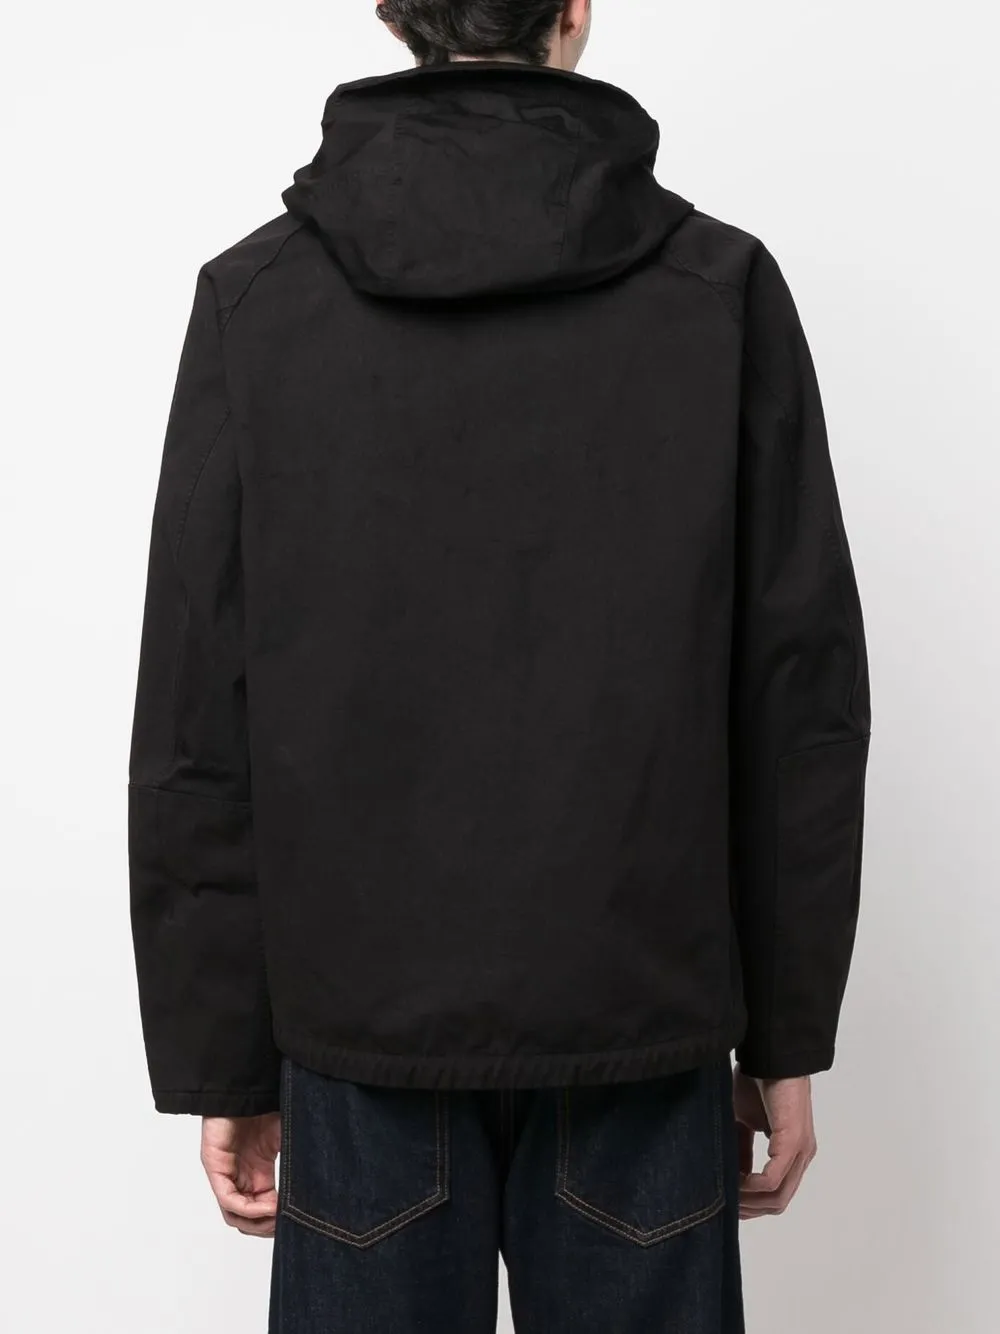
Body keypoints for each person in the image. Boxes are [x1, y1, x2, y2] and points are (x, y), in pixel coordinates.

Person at [126, 2, 872, 1329]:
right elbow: (797, 694)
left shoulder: (257, 299)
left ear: (391, 8)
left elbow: (198, 714)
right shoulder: (719, 291)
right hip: (640, 1021)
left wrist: (223, 1059)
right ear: (573, 11)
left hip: (362, 1038)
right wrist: (787, 1032)